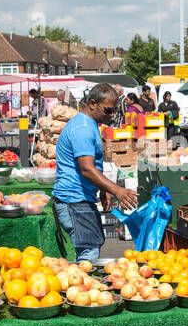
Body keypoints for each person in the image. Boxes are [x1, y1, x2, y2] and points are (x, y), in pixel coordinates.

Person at [54, 83, 138, 264]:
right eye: (108, 110)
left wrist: (103, 188)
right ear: (92, 104)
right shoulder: (83, 128)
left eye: (115, 111)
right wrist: (117, 190)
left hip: (79, 199)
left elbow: (91, 166)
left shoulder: (88, 124)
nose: (112, 115)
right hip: (74, 200)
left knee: (91, 247)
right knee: (88, 254)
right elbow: (87, 169)